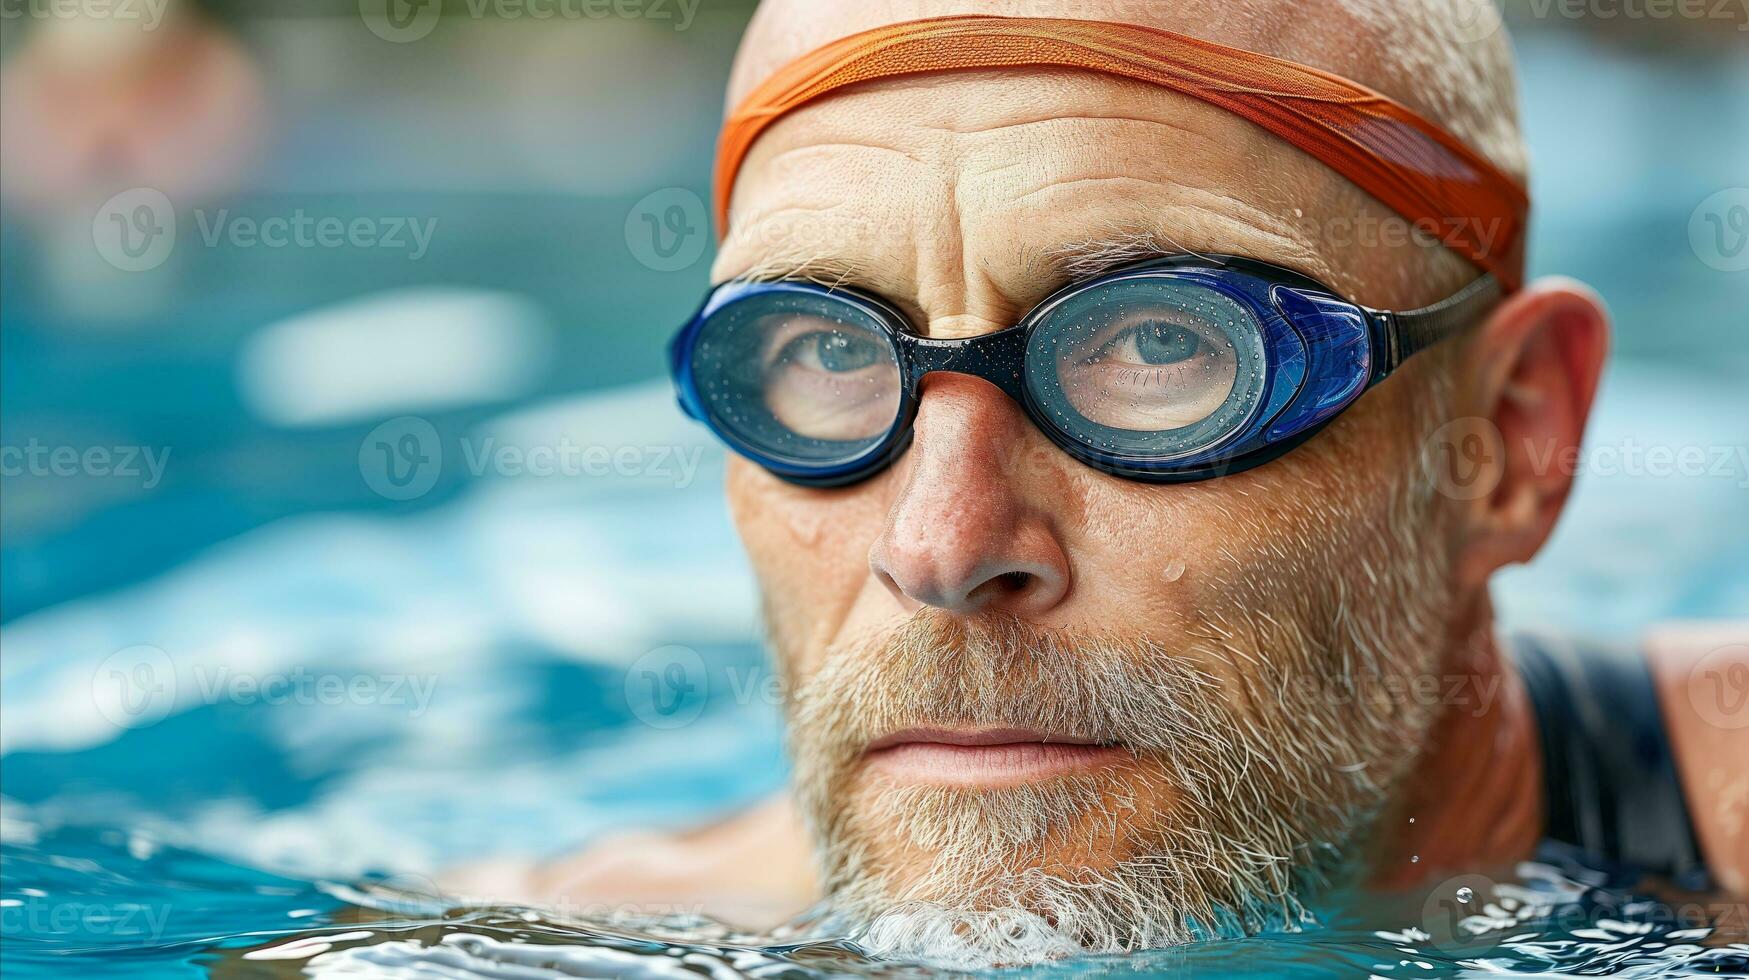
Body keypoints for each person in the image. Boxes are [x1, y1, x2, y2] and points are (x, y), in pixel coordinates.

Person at [450, 0, 1748, 963]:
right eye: (823, 352)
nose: (942, 547)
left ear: (1507, 442)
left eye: (1159, 344)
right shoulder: (560, 938)